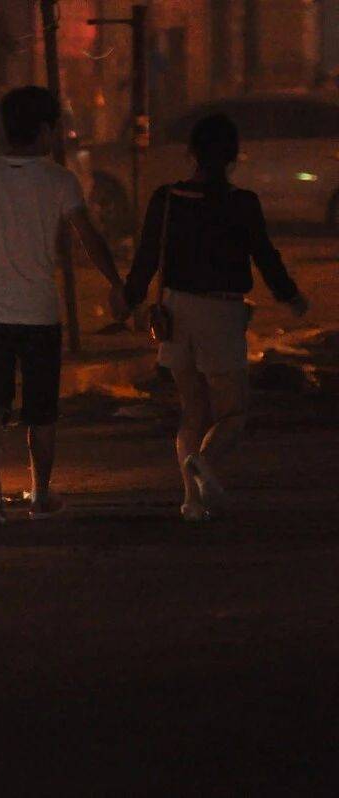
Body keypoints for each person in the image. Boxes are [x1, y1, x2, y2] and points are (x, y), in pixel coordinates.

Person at [0, 85, 129, 526]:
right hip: (39, 314)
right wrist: (117, 283)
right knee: (41, 412)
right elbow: (90, 238)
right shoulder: (59, 180)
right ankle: (40, 495)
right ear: (45, 129)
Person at [123, 113, 308, 522]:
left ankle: (191, 502)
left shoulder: (166, 199)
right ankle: (203, 464)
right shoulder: (242, 203)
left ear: (192, 155)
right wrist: (290, 296)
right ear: (232, 158)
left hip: (174, 312)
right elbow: (264, 255)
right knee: (232, 412)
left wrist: (129, 300)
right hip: (220, 311)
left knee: (192, 410)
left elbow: (146, 259)